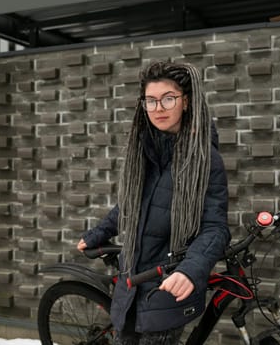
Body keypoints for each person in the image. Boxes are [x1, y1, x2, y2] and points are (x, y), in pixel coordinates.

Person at [77, 61, 230, 344]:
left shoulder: (205, 160)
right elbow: (132, 205)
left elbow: (215, 227)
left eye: (168, 99)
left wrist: (190, 270)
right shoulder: (146, 151)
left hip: (165, 288)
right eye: (151, 100)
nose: (158, 108)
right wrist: (101, 231)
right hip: (130, 283)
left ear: (186, 102)